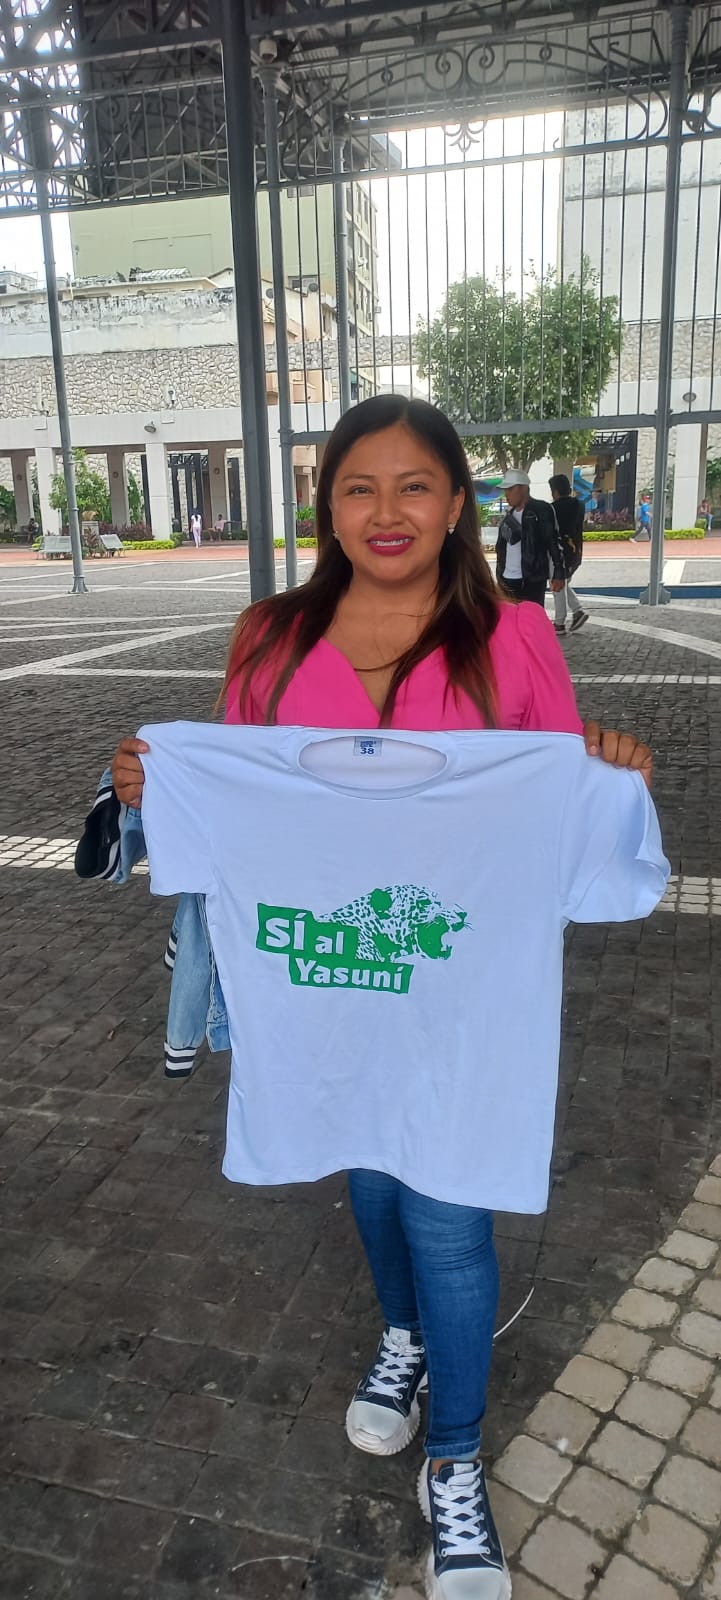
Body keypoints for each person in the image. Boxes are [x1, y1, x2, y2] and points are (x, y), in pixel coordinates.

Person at [111, 396, 653, 1600]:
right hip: (325, 988)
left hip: (461, 991)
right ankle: (401, 1335)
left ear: (458, 502)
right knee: (364, 1156)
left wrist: (606, 775)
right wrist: (152, 783)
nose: (387, 510)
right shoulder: (269, 635)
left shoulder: (512, 635)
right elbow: (232, 800)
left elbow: (552, 803)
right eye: (359, 486)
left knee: (448, 1212)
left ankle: (453, 1457)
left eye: (415, 485)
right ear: (328, 506)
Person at [495, 468, 566, 606]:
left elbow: (553, 541)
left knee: (531, 616)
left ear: (524, 488)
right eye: (505, 490)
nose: (506, 494)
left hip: (532, 579)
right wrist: (500, 576)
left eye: (510, 489)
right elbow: (502, 548)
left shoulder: (541, 510)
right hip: (507, 579)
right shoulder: (508, 516)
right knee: (510, 616)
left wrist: (559, 572)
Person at [548, 474, 589, 636]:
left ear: (555, 491)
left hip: (559, 552)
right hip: (575, 551)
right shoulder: (579, 505)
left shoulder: (552, 509)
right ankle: (577, 610)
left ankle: (559, 622)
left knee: (557, 583)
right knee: (562, 582)